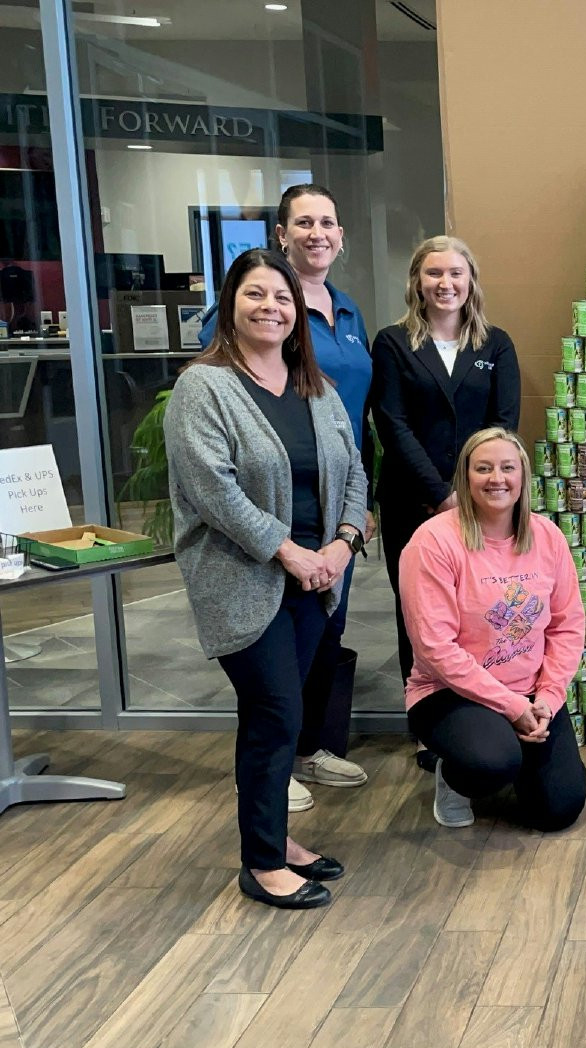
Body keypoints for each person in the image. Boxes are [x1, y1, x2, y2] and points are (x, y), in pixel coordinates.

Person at [165, 248, 366, 908]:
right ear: (230, 305)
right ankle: (262, 862)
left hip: (315, 578)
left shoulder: (316, 388)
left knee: (285, 709)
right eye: (256, 295)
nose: (271, 308)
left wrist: (343, 542)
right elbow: (212, 491)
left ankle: (276, 838)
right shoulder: (205, 386)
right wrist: (289, 551)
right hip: (243, 577)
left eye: (282, 298)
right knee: (275, 710)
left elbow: (355, 472)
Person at [200, 184, 374, 809]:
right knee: (271, 674)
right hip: (272, 510)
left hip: (335, 507)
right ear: (281, 233)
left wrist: (350, 526)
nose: (317, 233)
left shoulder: (347, 313)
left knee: (326, 635)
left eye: (328, 221)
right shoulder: (246, 324)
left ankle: (307, 749)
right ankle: (273, 775)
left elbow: (359, 425)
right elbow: (220, 440)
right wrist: (288, 548)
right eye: (303, 222)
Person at [371, 236, 521, 755]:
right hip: (413, 501)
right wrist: (440, 495)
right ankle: (429, 726)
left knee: (480, 609)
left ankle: (483, 710)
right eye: (434, 273)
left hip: (484, 507)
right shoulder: (393, 343)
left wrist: (475, 496)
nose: (445, 284)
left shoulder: (495, 344)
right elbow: (392, 422)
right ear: (417, 281)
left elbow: (504, 427)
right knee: (419, 612)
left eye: (456, 273)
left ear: (471, 281)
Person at [399, 427, 586, 831]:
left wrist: (548, 700)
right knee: (492, 762)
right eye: (483, 468)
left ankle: (515, 758)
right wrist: (512, 707)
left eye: (507, 467)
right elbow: (435, 647)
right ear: (466, 477)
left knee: (558, 811)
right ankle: (455, 778)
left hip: (531, 692)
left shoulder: (547, 536)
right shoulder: (432, 542)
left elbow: (567, 625)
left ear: (523, 476)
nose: (496, 478)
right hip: (450, 694)